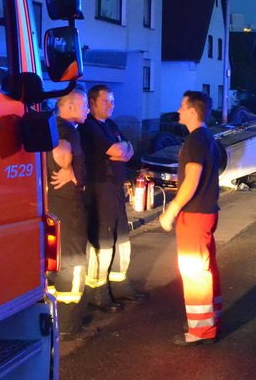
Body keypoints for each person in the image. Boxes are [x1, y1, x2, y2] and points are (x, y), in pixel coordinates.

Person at [160, 91, 222, 346]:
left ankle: (200, 331)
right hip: (206, 212)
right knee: (206, 270)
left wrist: (172, 209)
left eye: (182, 106)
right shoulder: (208, 138)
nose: (178, 111)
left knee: (194, 272)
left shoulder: (196, 140)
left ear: (193, 111)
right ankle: (210, 319)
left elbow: (193, 178)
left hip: (195, 215)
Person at [78, 84, 146, 313]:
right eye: (106, 101)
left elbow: (129, 151)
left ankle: (120, 285)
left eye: (112, 101)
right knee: (103, 240)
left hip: (115, 189)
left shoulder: (110, 125)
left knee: (121, 238)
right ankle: (98, 292)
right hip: (99, 189)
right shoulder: (88, 127)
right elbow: (118, 152)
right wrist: (122, 149)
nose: (111, 105)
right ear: (92, 103)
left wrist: (124, 149)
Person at [46, 90, 90, 336]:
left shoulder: (58, 126)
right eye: (84, 106)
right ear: (71, 106)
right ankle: (70, 325)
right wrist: (69, 167)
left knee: (57, 262)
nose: (86, 111)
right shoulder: (67, 130)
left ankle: (55, 323)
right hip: (67, 207)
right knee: (73, 263)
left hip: (57, 204)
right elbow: (61, 148)